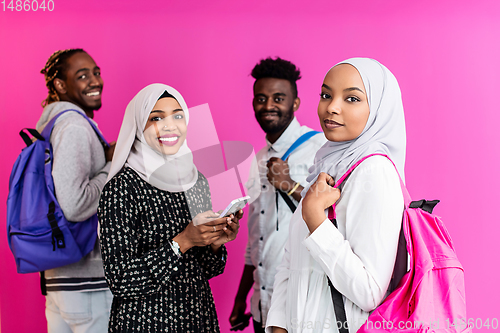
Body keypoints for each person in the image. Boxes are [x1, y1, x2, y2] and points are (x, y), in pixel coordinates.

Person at [266, 58, 406, 333]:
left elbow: (369, 291)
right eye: (326, 95)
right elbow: (291, 261)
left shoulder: (374, 171)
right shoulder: (326, 166)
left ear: (378, 109)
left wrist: (315, 218)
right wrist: (279, 327)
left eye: (352, 98)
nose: (332, 107)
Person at [98, 83, 241, 332]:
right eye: (156, 117)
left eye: (178, 115)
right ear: (139, 125)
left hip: (196, 316)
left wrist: (216, 242)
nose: (170, 125)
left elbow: (207, 269)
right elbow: (120, 280)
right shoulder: (122, 187)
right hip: (144, 322)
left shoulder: (197, 181)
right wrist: (181, 242)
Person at [230, 57, 326, 332]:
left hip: (303, 304)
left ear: (295, 103)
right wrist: (242, 298)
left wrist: (290, 185)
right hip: (263, 305)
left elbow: (335, 217)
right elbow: (256, 239)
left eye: (278, 98)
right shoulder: (257, 159)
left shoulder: (320, 147)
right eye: (261, 98)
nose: (268, 105)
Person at [37, 48, 116, 332]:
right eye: (82, 76)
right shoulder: (74, 126)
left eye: (96, 72)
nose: (95, 81)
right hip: (87, 286)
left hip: (62, 280)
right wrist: (111, 165)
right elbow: (74, 204)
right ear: (60, 85)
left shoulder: (54, 125)